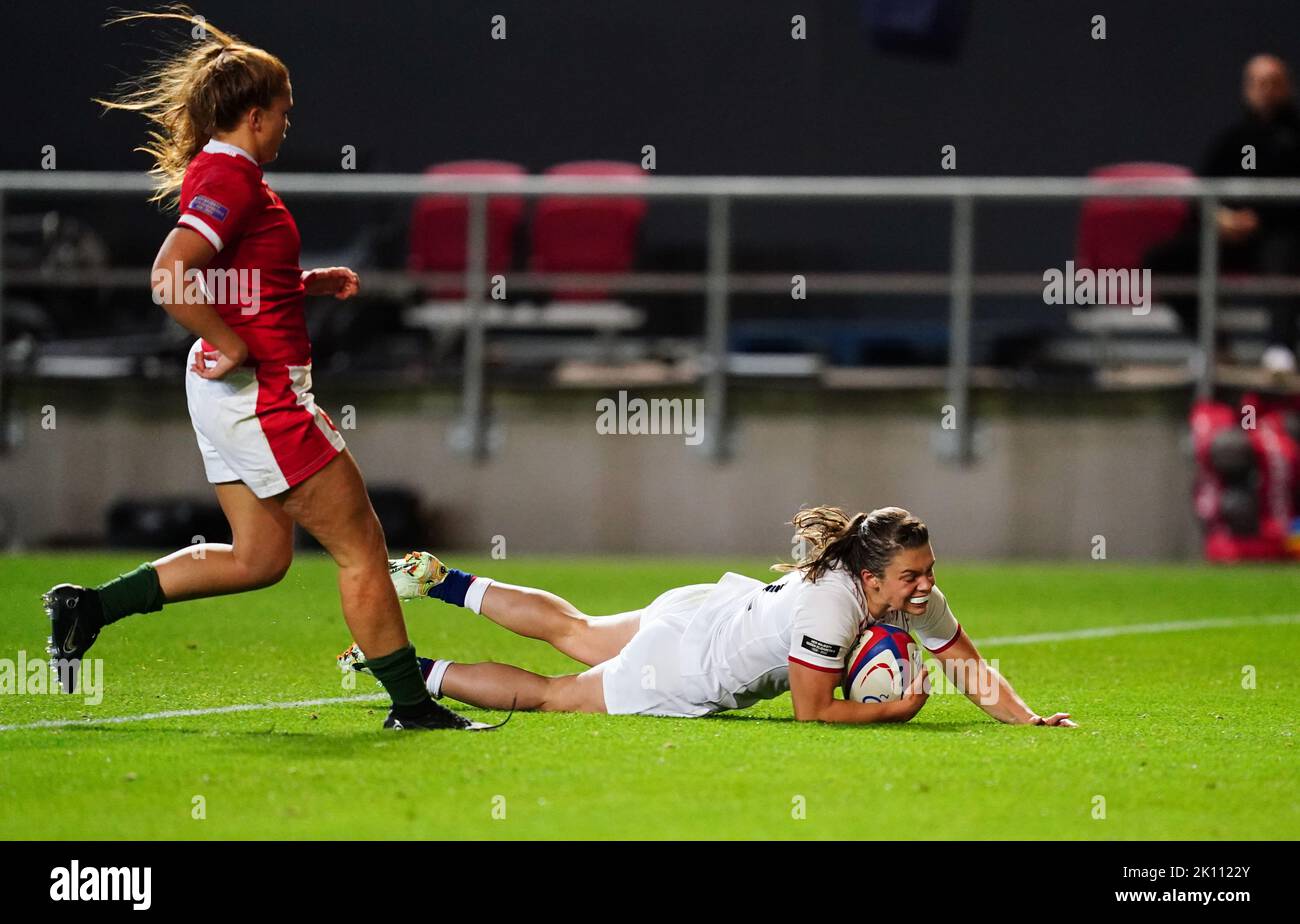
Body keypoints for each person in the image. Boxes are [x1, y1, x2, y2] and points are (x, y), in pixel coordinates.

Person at [42, 7, 485, 731]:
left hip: (223, 390)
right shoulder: (235, 178)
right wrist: (236, 342)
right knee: (362, 546)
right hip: (261, 393)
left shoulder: (226, 173)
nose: (287, 124)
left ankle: (87, 607)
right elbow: (170, 275)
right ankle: (411, 707)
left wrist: (299, 284)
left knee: (259, 557)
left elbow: (227, 270)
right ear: (253, 116)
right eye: (283, 112)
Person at [340, 506, 1077, 727]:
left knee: (578, 631)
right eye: (914, 576)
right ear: (871, 574)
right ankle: (403, 670)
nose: (926, 587)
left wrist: (1028, 719)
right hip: (690, 663)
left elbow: (965, 662)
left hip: (707, 608)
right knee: (552, 692)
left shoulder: (902, 590)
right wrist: (894, 710)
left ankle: (441, 580)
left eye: (930, 571)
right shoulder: (831, 601)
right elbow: (815, 712)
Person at [1146, 54, 1300, 372]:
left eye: (1273, 82)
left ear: (1288, 87)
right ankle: (1214, 347)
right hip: (1232, 238)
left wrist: (1263, 219)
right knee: (1165, 258)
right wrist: (1219, 218)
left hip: (1282, 236)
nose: (1265, 90)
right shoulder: (1233, 139)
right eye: (1258, 83)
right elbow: (1201, 194)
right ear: (1247, 89)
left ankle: (1281, 348)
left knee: (1283, 254)